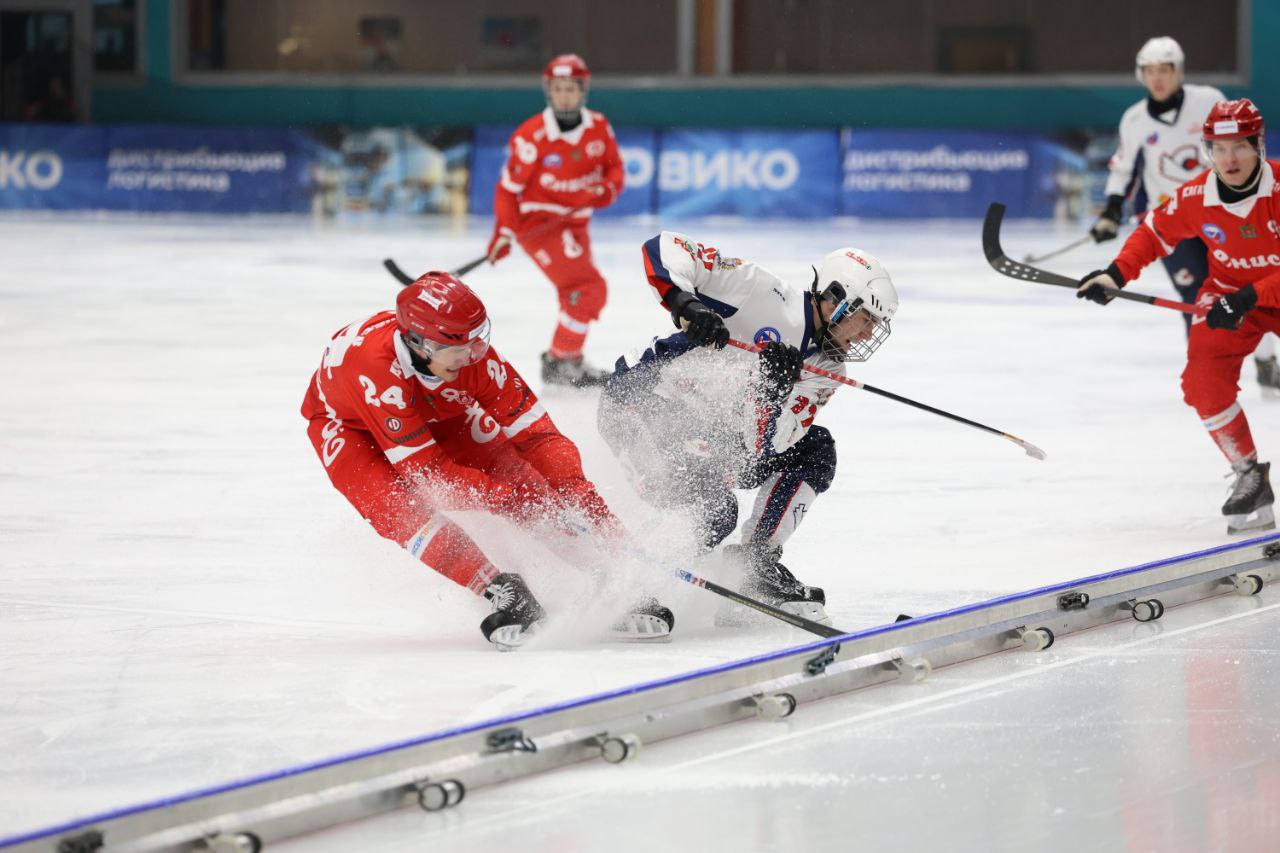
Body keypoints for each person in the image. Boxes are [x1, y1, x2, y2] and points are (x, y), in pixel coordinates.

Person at [301, 272, 672, 649]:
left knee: (522, 479)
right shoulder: (377, 373)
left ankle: (605, 574)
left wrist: (578, 493)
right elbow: (432, 477)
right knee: (399, 509)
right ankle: (500, 590)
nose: (475, 354)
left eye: (479, 340)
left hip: (431, 406)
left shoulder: (469, 357)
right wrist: (508, 500)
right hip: (350, 429)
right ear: (421, 345)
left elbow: (537, 436)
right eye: (461, 347)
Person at [597, 233, 899, 624]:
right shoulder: (763, 293)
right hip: (640, 403)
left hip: (709, 435)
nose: (868, 334)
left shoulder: (828, 370)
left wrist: (771, 391)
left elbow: (765, 448)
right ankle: (624, 587)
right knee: (714, 508)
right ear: (837, 298)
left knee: (816, 448)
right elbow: (664, 247)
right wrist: (688, 306)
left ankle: (753, 567)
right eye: (866, 319)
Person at [1077, 98, 1280, 534]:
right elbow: (1152, 232)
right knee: (1203, 384)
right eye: (1218, 148)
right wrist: (1116, 275)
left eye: (1240, 147)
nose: (1229, 159)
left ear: (1258, 145)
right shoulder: (1196, 195)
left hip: (1253, 296)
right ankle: (1250, 474)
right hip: (1227, 296)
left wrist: (1249, 297)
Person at [1092, 36, 1278, 387]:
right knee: (1195, 297)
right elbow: (1123, 168)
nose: (1158, 78)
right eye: (1149, 71)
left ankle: (1265, 357)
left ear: (1179, 72)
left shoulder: (1209, 101)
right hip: (1176, 218)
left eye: (1165, 70)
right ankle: (1209, 369)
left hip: (1225, 214)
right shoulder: (1134, 120)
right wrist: (1111, 211)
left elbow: (1237, 141)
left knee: (1248, 289)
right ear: (1140, 75)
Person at [486, 53, 625, 388]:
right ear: (549, 90)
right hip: (539, 227)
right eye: (558, 88)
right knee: (589, 288)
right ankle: (559, 359)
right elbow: (507, 190)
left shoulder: (599, 127)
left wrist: (607, 189)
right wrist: (503, 232)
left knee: (573, 292)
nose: (564, 95)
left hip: (577, 223)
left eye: (571, 88)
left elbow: (615, 170)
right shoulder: (531, 138)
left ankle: (568, 359)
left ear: (583, 91)